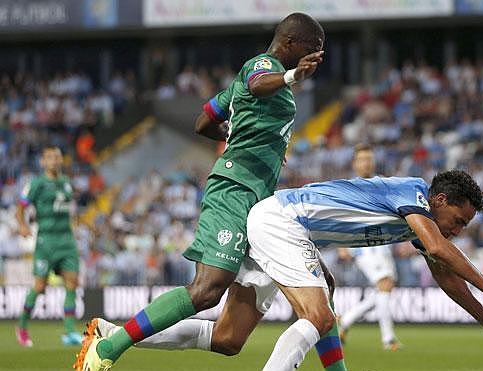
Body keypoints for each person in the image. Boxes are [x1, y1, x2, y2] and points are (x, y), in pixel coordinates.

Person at [76, 13, 347, 371]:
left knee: (231, 338)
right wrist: (292, 76)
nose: (315, 58)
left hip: (262, 205)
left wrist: (235, 134)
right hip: (236, 189)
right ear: (291, 44)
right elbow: (257, 84)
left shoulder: (237, 88)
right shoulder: (262, 67)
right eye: (313, 50)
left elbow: (203, 122)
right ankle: (109, 350)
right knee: (207, 290)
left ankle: (111, 333)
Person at [243, 170, 483, 370]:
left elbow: (445, 274)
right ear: (439, 200)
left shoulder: (418, 223)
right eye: (458, 221)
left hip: (288, 224)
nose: (457, 230)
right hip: (282, 221)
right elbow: (440, 248)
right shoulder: (412, 192)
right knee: (319, 316)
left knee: (226, 335)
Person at [15, 146, 83, 347]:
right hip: (46, 241)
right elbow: (20, 207)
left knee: (72, 283)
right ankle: (22, 326)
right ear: (43, 162)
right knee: (40, 286)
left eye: (57, 157)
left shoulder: (66, 183)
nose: (54, 160)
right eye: (50, 157)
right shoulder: (37, 184)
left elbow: (69, 210)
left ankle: (70, 331)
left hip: (67, 241)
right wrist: (22, 225)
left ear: (61, 160)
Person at [336, 144, 400, 349]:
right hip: (364, 246)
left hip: (384, 244)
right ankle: (388, 339)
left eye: (369, 158)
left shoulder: (381, 184)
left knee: (384, 289)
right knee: (384, 284)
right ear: (355, 163)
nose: (367, 162)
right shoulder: (350, 188)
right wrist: (342, 244)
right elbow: (342, 216)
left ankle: (345, 320)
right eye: (362, 159)